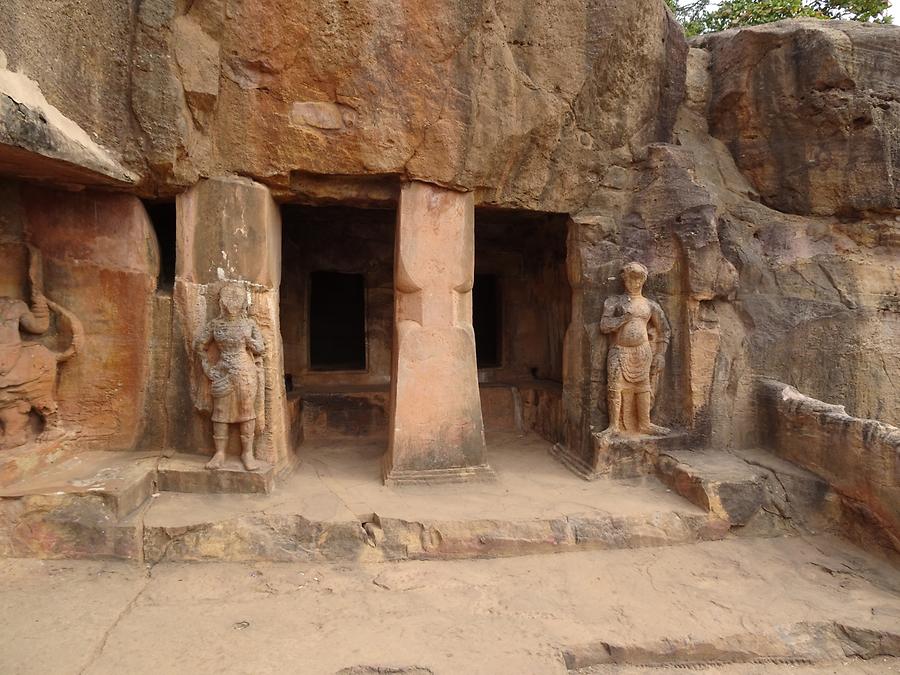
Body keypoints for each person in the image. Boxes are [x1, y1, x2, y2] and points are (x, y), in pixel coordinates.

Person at [195, 282, 266, 471]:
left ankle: (247, 453)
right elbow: (200, 345)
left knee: (246, 412)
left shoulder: (249, 324)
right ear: (221, 303)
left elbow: (260, 348)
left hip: (245, 372)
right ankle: (219, 453)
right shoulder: (215, 324)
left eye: (236, 301)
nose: (231, 306)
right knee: (220, 413)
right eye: (227, 301)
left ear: (244, 304)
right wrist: (208, 368)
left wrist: (248, 340)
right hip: (223, 371)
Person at [599, 262, 671, 437]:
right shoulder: (614, 302)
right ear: (624, 279)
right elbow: (604, 325)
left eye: (638, 279)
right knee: (615, 386)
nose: (635, 283)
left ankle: (645, 424)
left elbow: (664, 330)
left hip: (642, 351)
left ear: (644, 281)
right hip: (620, 350)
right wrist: (623, 318)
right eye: (631, 279)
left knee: (643, 387)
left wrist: (660, 354)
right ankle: (614, 425)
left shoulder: (650, 305)